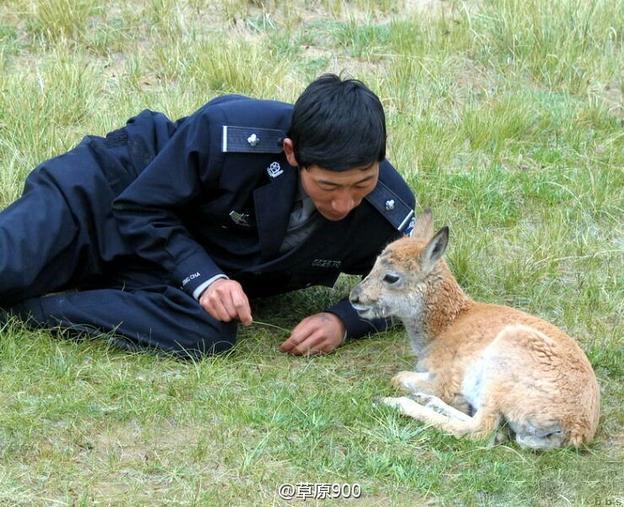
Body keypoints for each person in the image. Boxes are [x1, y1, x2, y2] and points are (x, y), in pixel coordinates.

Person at [0, 74, 415, 359]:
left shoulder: (385, 209)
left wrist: (343, 321)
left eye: (361, 184)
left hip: (173, 261)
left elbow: (419, 285)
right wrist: (206, 278)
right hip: (104, 198)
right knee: (9, 265)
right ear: (292, 154)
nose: (344, 204)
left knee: (209, 333)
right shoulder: (227, 132)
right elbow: (141, 206)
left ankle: (32, 313)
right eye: (327, 187)